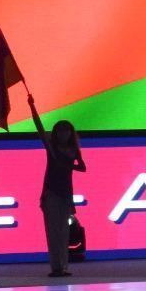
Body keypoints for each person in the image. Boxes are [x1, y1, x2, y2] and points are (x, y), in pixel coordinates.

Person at [28, 94, 87, 277]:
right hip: (51, 192)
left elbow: (83, 167)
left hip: (66, 193)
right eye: (60, 131)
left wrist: (69, 165)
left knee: (63, 231)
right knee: (52, 231)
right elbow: (40, 129)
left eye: (66, 131)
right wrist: (32, 107)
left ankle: (63, 266)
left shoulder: (73, 150)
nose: (63, 134)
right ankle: (56, 267)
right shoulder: (52, 147)